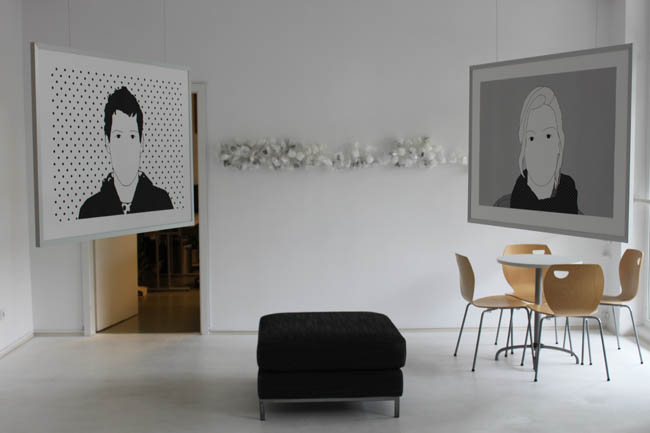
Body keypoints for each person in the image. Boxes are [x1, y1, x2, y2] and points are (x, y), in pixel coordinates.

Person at [79, 86, 173, 219]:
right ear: (107, 143)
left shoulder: (161, 201)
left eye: (132, 136)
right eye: (118, 136)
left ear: (141, 143)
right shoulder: (90, 209)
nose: (126, 148)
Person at [506, 86, 579, 214]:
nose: (540, 149)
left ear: (559, 144)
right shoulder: (502, 208)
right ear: (524, 148)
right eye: (531, 138)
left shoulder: (578, 219)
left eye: (548, 136)